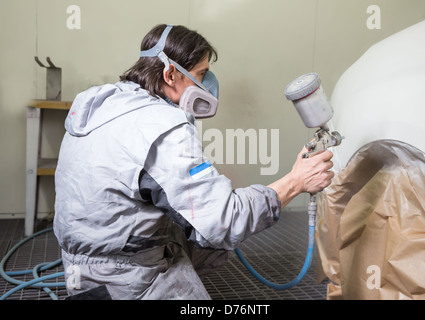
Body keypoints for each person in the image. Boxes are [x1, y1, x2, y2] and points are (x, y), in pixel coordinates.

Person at [53, 24, 334, 300]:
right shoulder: (161, 126)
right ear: (170, 73)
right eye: (201, 74)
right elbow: (223, 221)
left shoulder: (104, 105)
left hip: (81, 268)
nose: (207, 85)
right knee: (217, 227)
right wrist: (296, 182)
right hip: (125, 278)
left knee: (204, 233)